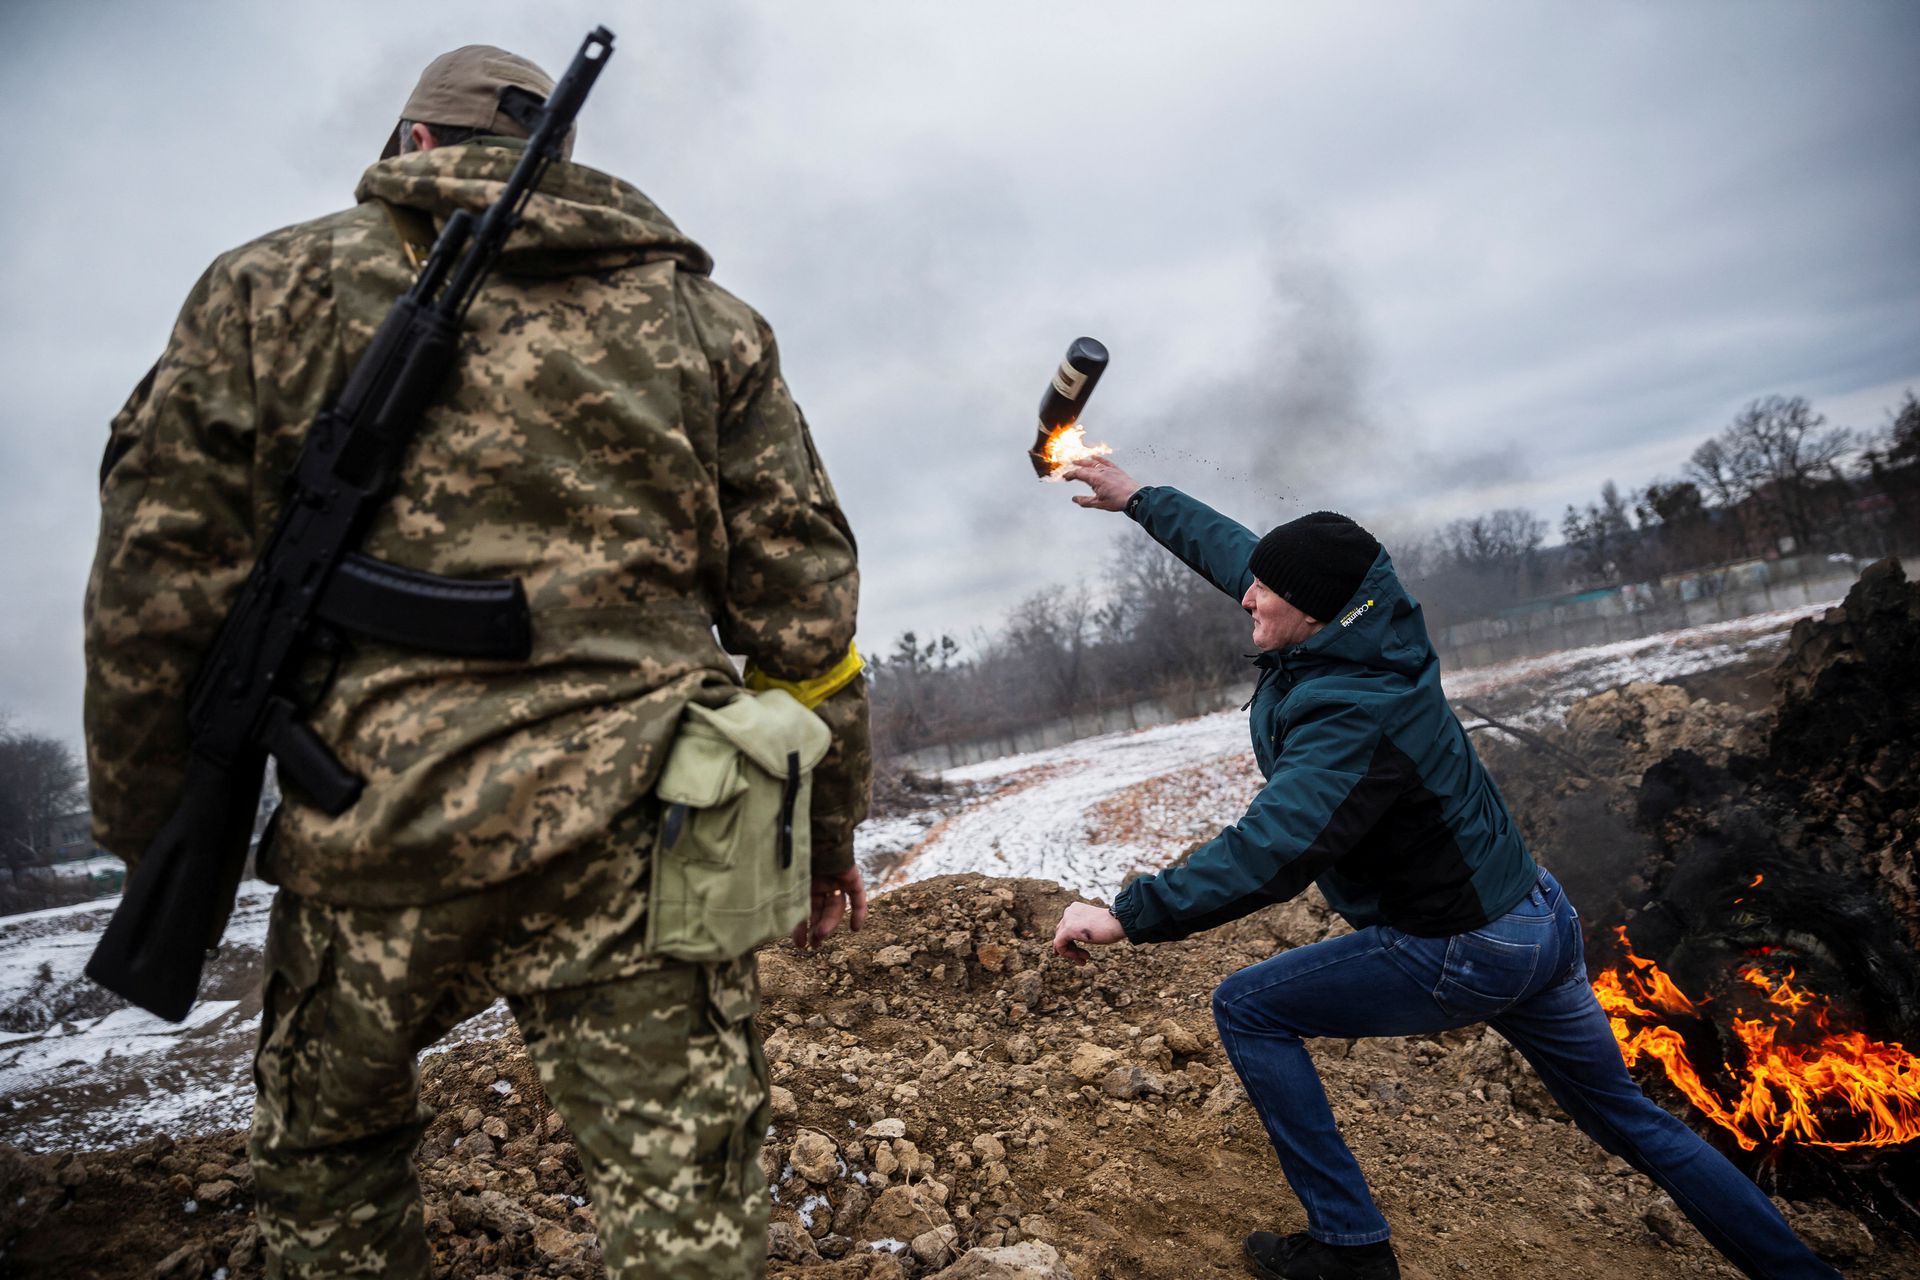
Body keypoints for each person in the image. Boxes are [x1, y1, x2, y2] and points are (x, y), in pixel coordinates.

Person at [83, 45, 870, 1280]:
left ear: (413, 146)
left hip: (368, 830)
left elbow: (150, 600)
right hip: (645, 834)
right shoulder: (706, 323)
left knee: (332, 1170)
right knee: (690, 1204)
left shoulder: (265, 291)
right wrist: (826, 835)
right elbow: (807, 617)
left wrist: (153, 836)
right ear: (559, 162)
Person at [1047, 457, 1838, 1280]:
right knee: (1636, 1123)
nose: (1247, 597)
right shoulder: (1364, 617)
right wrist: (1139, 498)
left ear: (1315, 611)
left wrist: (1128, 914)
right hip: (1535, 916)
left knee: (1248, 1007)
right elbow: (1247, 559)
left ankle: (1350, 1247)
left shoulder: (1352, 712)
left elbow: (1274, 847)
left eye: (1266, 593)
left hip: (1465, 944)